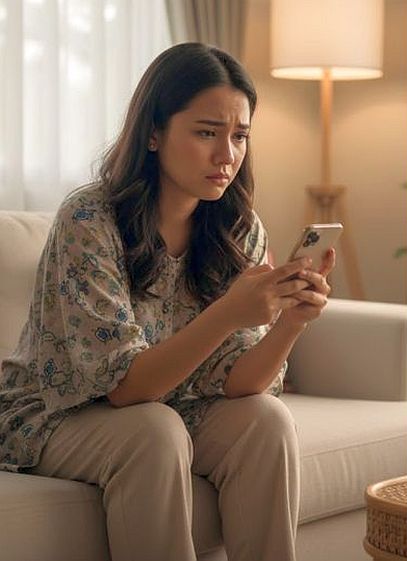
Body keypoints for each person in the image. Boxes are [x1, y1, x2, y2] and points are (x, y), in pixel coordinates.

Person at [0, 43, 331, 561]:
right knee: (153, 430)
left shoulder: (237, 227)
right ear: (154, 132)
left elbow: (243, 384)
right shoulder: (89, 219)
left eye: (239, 135)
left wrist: (291, 322)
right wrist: (229, 312)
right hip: (58, 412)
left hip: (175, 406)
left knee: (266, 421)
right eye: (206, 132)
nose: (227, 155)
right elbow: (128, 388)